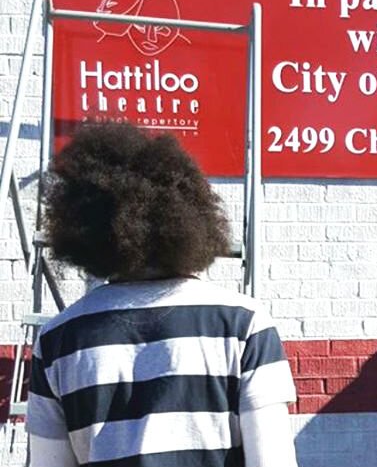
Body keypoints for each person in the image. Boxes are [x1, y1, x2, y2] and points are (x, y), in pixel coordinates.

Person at [26, 123, 298, 467]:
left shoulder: (57, 340)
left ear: (83, 225)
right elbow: (272, 461)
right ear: (192, 212)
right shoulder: (242, 324)